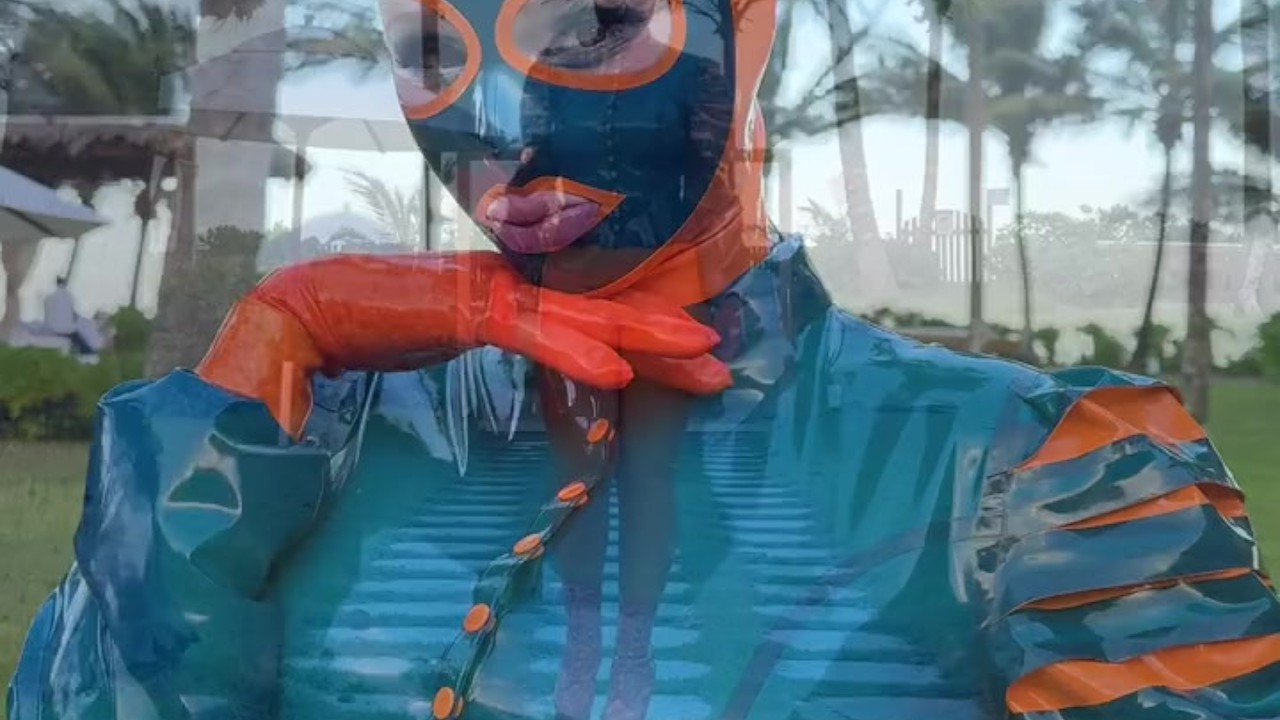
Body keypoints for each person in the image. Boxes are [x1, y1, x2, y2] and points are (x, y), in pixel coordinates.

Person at [7, 0, 1280, 718]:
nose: (497, 131)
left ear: (752, 28)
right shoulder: (305, 431)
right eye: (431, 52)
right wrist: (267, 344)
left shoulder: (1042, 469)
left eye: (595, 24)